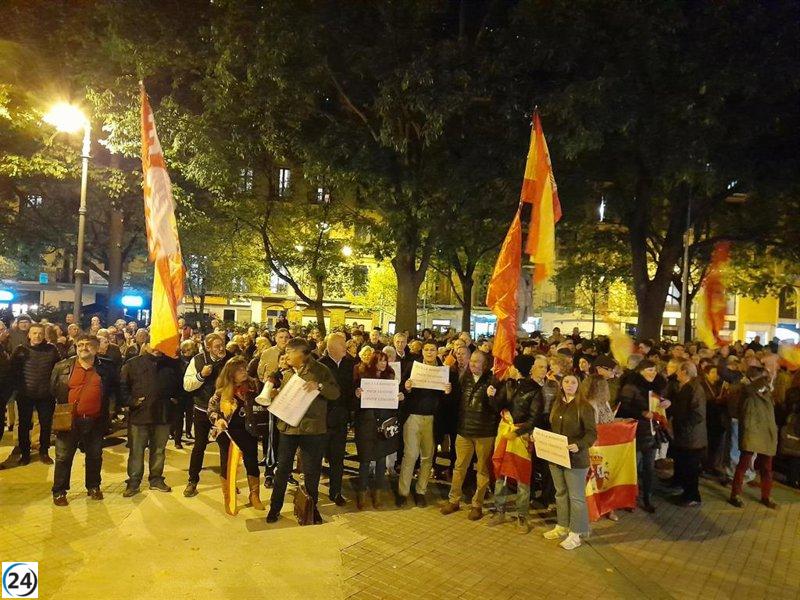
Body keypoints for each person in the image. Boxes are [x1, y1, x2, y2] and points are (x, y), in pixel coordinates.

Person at [266, 338, 340, 524]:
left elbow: (335, 393)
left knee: (312, 471)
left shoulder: (320, 370)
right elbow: (270, 390)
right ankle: (275, 508)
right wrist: (273, 392)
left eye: (291, 352)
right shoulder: (283, 371)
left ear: (302, 353)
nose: (287, 355)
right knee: (282, 469)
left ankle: (310, 507)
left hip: (312, 428)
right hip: (288, 427)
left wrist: (319, 386)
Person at [50, 334, 115, 506]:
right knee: (63, 457)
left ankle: (93, 486)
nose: (83, 347)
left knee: (94, 456)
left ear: (97, 347)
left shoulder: (106, 368)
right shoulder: (62, 366)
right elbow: (53, 390)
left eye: (88, 345)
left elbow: (112, 392)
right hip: (69, 421)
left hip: (95, 420)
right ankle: (59, 491)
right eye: (80, 344)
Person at [120, 334, 182, 497]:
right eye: (153, 344)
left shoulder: (171, 364)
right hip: (140, 415)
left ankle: (156, 478)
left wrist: (174, 401)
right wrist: (132, 402)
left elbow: (179, 386)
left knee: (159, 449)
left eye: (160, 345)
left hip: (162, 414)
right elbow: (122, 387)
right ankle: (133, 481)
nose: (156, 348)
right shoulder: (133, 364)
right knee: (137, 450)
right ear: (145, 345)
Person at [440, 350, 497, 520]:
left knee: (482, 470)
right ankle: (454, 500)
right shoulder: (464, 378)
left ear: (485, 364)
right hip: (464, 430)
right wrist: (448, 393)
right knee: (459, 467)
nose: (473, 364)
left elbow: (498, 407)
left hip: (484, 432)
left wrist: (493, 398)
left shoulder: (492, 381)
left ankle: (477, 504)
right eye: (471, 361)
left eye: (477, 362)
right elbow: (456, 403)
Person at [543, 374, 597, 549]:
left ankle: (576, 533)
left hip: (576, 459)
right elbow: (550, 426)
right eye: (566, 381)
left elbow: (591, 433)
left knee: (576, 497)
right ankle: (562, 526)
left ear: (578, 385)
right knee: (560, 493)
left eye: (573, 382)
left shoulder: (584, 407)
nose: (569, 385)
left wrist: (579, 445)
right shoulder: (557, 404)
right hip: (556, 456)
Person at [397, 341, 453, 507]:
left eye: (432, 350)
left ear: (437, 352)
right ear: (422, 352)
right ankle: (403, 492)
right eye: (426, 350)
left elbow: (448, 402)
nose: (429, 353)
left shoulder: (444, 371)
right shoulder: (413, 367)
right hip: (413, 417)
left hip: (432, 420)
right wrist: (406, 387)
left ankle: (421, 491)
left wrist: (448, 392)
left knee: (428, 457)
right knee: (410, 455)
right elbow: (401, 388)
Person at [207, 356, 266, 513]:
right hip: (228, 433)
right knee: (227, 464)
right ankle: (229, 496)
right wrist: (218, 419)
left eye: (244, 368)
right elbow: (211, 410)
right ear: (231, 373)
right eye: (239, 370)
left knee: (252, 461)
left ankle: (254, 495)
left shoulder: (254, 385)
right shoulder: (222, 391)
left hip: (249, 430)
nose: (243, 371)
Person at [488, 363, 542, 533]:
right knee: (500, 473)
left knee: (522, 477)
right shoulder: (508, 384)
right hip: (504, 432)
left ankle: (522, 517)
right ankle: (499, 511)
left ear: (517, 369)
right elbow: (498, 407)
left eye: (511, 366)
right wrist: (492, 395)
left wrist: (518, 431)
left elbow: (534, 418)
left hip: (521, 437)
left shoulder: (535, 390)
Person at [182, 333, 232, 496]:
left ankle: (227, 482)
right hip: (202, 410)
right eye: (216, 346)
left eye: (222, 344)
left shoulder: (230, 360)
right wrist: (201, 375)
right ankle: (192, 480)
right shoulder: (197, 360)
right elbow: (187, 386)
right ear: (208, 347)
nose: (221, 348)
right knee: (199, 446)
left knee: (226, 447)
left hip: (224, 413)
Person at [616, 359, 667, 513]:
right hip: (636, 432)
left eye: (654, 370)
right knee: (633, 467)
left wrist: (666, 402)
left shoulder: (657, 386)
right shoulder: (631, 386)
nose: (653, 373)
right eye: (650, 370)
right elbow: (623, 407)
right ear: (641, 371)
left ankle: (647, 498)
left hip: (651, 432)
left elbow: (660, 403)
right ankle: (628, 498)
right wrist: (642, 413)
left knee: (649, 467)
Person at [353, 351, 402, 509]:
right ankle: (362, 493)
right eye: (380, 361)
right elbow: (354, 401)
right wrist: (357, 394)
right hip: (367, 423)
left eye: (385, 361)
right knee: (365, 460)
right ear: (373, 362)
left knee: (381, 459)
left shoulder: (390, 377)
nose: (383, 364)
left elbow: (395, 401)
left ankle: (378, 494)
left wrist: (400, 397)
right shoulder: (363, 377)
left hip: (384, 423)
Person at [11, 323, 62, 465]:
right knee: (24, 425)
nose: (37, 336)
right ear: (29, 335)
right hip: (25, 394)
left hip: (46, 395)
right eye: (34, 333)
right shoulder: (20, 350)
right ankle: (25, 454)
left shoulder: (52, 350)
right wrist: (17, 389)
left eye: (40, 333)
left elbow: (58, 371)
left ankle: (44, 452)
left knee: (46, 425)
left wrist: (55, 389)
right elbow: (14, 372)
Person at [729, 366, 778, 509]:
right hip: (752, 431)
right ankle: (735, 494)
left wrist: (769, 382)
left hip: (766, 432)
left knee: (766, 468)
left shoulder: (765, 390)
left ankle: (766, 495)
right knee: (743, 464)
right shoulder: (746, 389)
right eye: (762, 377)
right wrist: (765, 380)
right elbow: (749, 390)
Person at [318, 332, 357, 506]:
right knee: (316, 457)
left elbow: (352, 389)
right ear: (333, 347)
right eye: (343, 345)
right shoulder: (320, 366)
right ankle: (312, 492)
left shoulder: (350, 365)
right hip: (322, 420)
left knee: (338, 458)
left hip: (341, 419)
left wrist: (355, 397)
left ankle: (336, 492)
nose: (346, 348)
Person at [670, 360, 706, 507]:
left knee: (690, 468)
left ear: (685, 372)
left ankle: (692, 496)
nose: (676, 373)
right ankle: (687, 493)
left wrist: (683, 426)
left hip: (691, 437)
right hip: (687, 435)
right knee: (685, 465)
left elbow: (697, 414)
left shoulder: (693, 388)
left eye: (678, 371)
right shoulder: (687, 387)